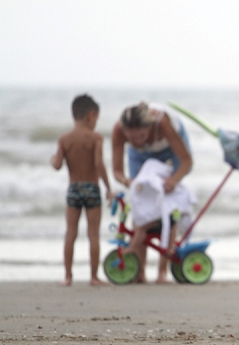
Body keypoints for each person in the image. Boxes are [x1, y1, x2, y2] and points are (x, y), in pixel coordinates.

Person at [111, 102, 193, 283]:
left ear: (148, 127)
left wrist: (173, 180)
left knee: (167, 205)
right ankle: (139, 271)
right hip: (140, 156)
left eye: (141, 135)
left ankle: (162, 272)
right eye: (131, 137)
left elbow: (187, 161)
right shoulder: (118, 130)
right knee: (141, 204)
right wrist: (128, 181)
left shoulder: (162, 123)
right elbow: (117, 171)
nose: (137, 141)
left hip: (170, 149)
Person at [51, 94, 113, 286]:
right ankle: (93, 277)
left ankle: (68, 276)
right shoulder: (96, 138)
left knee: (71, 232)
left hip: (74, 188)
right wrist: (108, 187)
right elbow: (98, 163)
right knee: (93, 233)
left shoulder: (64, 139)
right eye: (96, 119)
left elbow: (57, 164)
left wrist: (53, 158)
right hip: (92, 188)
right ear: (90, 115)